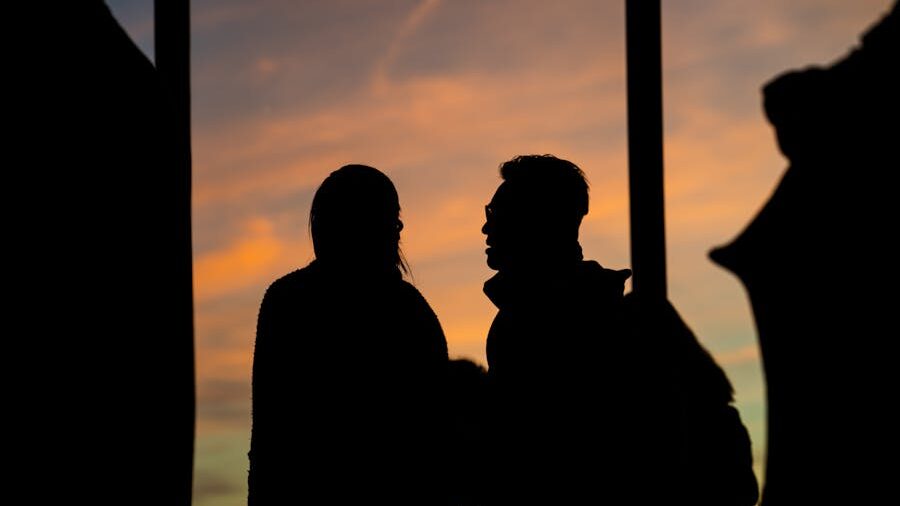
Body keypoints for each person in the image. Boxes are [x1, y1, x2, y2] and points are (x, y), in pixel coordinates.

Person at [248, 164, 449, 505]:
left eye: (396, 218)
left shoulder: (287, 299)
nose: (397, 228)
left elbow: (269, 438)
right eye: (390, 217)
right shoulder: (409, 310)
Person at [480, 154, 642, 504]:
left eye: (497, 215)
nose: (486, 229)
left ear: (535, 222)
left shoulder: (555, 320)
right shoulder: (529, 311)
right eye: (488, 214)